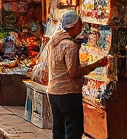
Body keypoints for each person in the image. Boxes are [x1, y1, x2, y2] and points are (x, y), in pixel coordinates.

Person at [46, 10, 107, 139]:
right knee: (73, 130)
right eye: (80, 23)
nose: (82, 26)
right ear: (74, 25)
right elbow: (74, 73)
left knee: (58, 129)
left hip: (53, 92)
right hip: (68, 93)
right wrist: (96, 64)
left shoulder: (54, 41)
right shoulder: (70, 46)